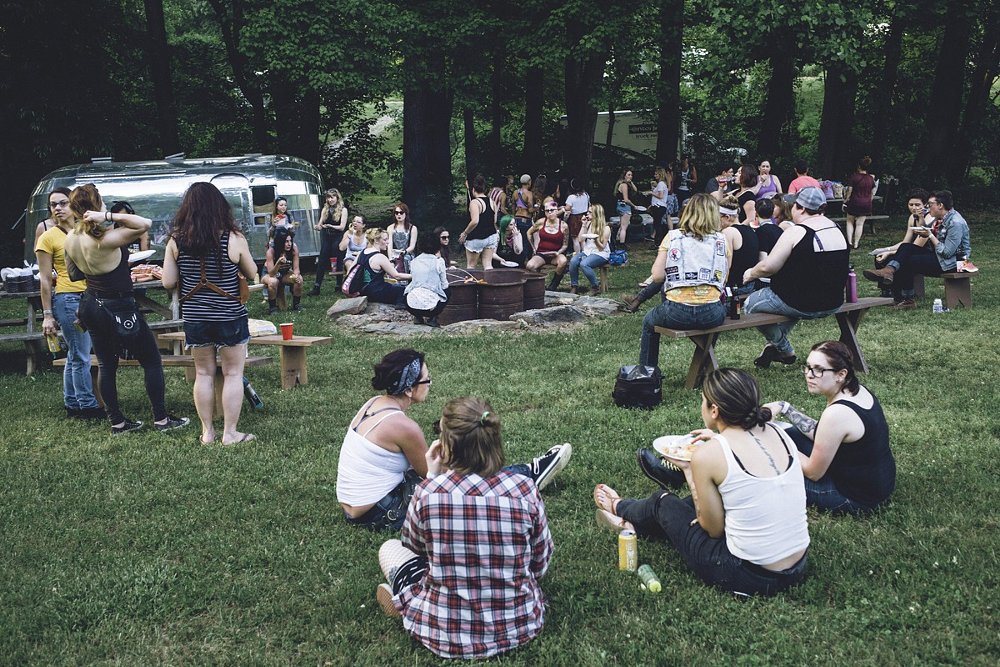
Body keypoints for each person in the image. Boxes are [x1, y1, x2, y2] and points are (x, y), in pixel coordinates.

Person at [375, 395, 571, 658]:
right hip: (519, 625)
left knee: (390, 549)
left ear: (446, 447)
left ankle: (405, 598)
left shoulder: (429, 493)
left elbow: (413, 547)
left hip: (444, 633)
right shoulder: (524, 490)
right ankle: (408, 597)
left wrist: (432, 476)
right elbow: (540, 562)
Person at [593, 368, 809, 598]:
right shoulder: (780, 433)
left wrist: (688, 470)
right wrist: (717, 440)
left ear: (714, 410)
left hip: (747, 575)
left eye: (703, 401)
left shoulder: (708, 456)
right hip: (797, 567)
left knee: (662, 502)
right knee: (702, 501)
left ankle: (619, 506)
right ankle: (635, 525)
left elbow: (713, 530)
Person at [338, 350, 572, 532]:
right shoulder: (403, 427)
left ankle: (526, 474)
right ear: (409, 389)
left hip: (358, 506)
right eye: (426, 380)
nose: (430, 384)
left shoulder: (373, 404)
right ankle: (527, 474)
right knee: (465, 478)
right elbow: (433, 476)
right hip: (382, 513)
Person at [63, 184, 190, 435]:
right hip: (118, 306)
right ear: (96, 205)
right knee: (151, 360)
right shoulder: (106, 239)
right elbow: (145, 223)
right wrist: (109, 217)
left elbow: (74, 274)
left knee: (107, 364)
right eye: (103, 202)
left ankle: (118, 423)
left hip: (90, 304)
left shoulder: (70, 238)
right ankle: (162, 420)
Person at [161, 183, 259, 445]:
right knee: (233, 373)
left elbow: (168, 282)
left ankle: (207, 433)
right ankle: (230, 433)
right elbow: (251, 272)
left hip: (196, 316)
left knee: (203, 374)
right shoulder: (233, 237)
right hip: (230, 315)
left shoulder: (176, 240)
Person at [765, 341, 895, 514]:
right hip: (875, 485)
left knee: (767, 458)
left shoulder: (837, 413)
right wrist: (785, 407)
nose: (809, 375)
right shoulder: (857, 391)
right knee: (784, 430)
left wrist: (777, 444)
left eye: (818, 369)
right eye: (808, 367)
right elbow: (824, 433)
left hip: (853, 498)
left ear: (841, 374)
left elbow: (813, 473)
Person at [742, 187, 848, 367]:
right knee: (792, 304)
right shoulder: (837, 228)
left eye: (794, 205)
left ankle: (784, 348)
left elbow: (769, 266)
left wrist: (750, 273)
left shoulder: (796, 231)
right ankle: (773, 347)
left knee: (750, 305)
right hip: (833, 301)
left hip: (798, 302)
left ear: (801, 208)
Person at [638, 193, 730, 367]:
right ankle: (704, 365)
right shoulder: (722, 240)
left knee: (649, 322)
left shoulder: (672, 236)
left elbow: (657, 276)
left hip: (676, 311)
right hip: (712, 312)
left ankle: (648, 373)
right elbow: (724, 279)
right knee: (717, 315)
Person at [35, 187, 103, 420]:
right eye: (53, 205)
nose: (58, 208)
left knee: (76, 354)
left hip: (90, 296)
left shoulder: (83, 230)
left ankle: (72, 402)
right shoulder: (47, 237)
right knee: (81, 354)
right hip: (67, 299)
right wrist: (47, 314)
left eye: (63, 203)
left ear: (74, 205)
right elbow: (45, 279)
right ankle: (88, 405)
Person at [862, 189, 971, 308]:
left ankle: (906, 299)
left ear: (940, 205)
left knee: (908, 261)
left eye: (930, 204)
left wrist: (929, 235)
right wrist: (925, 229)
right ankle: (889, 272)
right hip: (940, 257)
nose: (928, 207)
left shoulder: (955, 223)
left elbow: (947, 252)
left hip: (956, 263)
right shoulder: (942, 218)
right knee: (906, 247)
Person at [356, 227, 411, 307]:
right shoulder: (380, 257)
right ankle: (399, 307)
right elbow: (397, 276)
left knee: (394, 287)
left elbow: (351, 269)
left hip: (363, 290)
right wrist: (414, 276)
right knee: (402, 289)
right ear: (376, 241)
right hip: (376, 292)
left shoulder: (362, 252)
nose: (388, 242)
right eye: (385, 240)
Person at [404, 230, 448, 327]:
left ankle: (418, 317)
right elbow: (444, 284)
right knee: (448, 291)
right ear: (437, 246)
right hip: (431, 307)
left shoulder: (414, 261)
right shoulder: (439, 261)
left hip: (410, 305)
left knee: (410, 289)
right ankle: (432, 318)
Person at [719, 195, 759, 297]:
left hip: (735, 288)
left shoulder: (728, 232)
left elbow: (726, 265)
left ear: (727, 217)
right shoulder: (750, 230)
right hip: (750, 284)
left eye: (719, 218)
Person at [526, 197, 570, 290]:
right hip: (542, 253)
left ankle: (554, 285)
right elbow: (529, 232)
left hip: (556, 254)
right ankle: (539, 283)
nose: (550, 213)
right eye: (547, 211)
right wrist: (533, 248)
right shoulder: (541, 222)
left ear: (557, 211)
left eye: (552, 210)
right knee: (530, 265)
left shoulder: (563, 226)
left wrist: (559, 252)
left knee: (563, 261)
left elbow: (565, 244)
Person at [310, 188, 348, 296]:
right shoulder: (325, 209)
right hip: (327, 236)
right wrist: (317, 227)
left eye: (332, 197)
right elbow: (320, 223)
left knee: (338, 259)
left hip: (338, 236)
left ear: (337, 198)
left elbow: (342, 227)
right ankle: (317, 286)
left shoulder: (343, 210)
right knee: (322, 259)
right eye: (328, 197)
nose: (330, 200)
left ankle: (338, 285)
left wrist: (331, 226)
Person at [568, 204, 611, 295]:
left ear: (596, 214)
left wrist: (595, 240)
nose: (587, 213)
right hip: (588, 251)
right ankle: (574, 286)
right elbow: (580, 239)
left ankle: (595, 287)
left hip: (601, 253)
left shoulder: (606, 228)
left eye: (590, 212)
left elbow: (602, 247)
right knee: (573, 261)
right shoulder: (588, 224)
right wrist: (583, 225)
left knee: (584, 264)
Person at [458, 174, 499, 270]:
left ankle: (472, 285)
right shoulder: (492, 202)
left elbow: (475, 221)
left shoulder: (474, 202)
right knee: (488, 264)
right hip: (491, 236)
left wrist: (465, 233)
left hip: (476, 238)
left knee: (471, 266)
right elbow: (495, 220)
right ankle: (490, 284)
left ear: (473, 189)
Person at [263, 227, 303, 314]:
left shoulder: (294, 248)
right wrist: (278, 263)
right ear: (280, 242)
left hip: (285, 273)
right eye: (286, 241)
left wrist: (295, 276)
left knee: (299, 279)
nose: (289, 244)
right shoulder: (271, 251)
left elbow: (296, 269)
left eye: (290, 241)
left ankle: (296, 305)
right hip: (268, 274)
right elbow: (271, 273)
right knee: (273, 282)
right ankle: (272, 308)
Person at [844, 156, 876, 249]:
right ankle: (856, 243)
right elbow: (872, 192)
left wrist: (846, 200)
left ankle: (849, 242)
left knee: (849, 221)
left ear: (858, 166)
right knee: (860, 224)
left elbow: (849, 191)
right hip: (866, 204)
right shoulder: (870, 178)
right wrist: (870, 199)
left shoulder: (854, 177)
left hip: (854, 202)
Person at [510, 174, 535, 265]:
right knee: (526, 240)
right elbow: (530, 209)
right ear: (529, 182)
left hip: (517, 218)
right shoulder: (529, 194)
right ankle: (524, 261)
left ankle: (516, 261)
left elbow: (513, 205)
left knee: (517, 239)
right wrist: (537, 207)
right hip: (526, 220)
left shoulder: (515, 192)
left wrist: (513, 216)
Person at [563, 178, 591, 253]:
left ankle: (578, 255)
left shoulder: (571, 197)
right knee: (583, 239)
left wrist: (563, 207)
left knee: (575, 239)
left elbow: (567, 208)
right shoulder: (586, 195)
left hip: (574, 218)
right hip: (584, 216)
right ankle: (585, 254)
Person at [647, 166, 672, 246]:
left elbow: (660, 196)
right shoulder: (661, 184)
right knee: (657, 224)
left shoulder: (661, 184)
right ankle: (658, 242)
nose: (655, 175)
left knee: (657, 225)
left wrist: (651, 193)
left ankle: (658, 242)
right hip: (658, 206)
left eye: (656, 174)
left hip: (659, 206)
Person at [388, 202, 417, 273]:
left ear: (405, 214)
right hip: (394, 254)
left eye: (401, 212)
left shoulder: (412, 228)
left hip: (407, 254)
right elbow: (389, 245)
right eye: (396, 213)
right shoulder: (390, 228)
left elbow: (412, 246)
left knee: (406, 259)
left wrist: (404, 252)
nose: (398, 215)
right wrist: (390, 259)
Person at [614, 167, 638, 247]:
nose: (630, 176)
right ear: (624, 175)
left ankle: (617, 241)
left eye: (631, 175)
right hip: (624, 206)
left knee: (621, 225)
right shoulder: (624, 185)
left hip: (620, 205)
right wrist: (634, 206)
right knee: (624, 227)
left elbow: (635, 190)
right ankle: (622, 243)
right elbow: (626, 199)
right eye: (628, 175)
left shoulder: (623, 184)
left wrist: (631, 182)